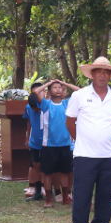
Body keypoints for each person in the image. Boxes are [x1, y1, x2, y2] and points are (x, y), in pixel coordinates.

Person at [65, 57, 111, 223]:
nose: (102, 75)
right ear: (92, 74)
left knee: (106, 194)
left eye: (106, 71)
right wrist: (82, 140)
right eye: (98, 71)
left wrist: (101, 138)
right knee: (82, 194)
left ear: (110, 75)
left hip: (109, 155)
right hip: (84, 155)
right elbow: (70, 122)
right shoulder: (79, 95)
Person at [32, 79, 80, 208]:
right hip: (49, 145)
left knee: (64, 172)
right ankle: (49, 199)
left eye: (60, 87)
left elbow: (80, 92)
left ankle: (65, 198)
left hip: (65, 145)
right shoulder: (46, 104)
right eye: (55, 87)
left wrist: (65, 84)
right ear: (49, 91)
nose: (58, 89)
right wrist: (49, 83)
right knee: (48, 173)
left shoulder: (67, 104)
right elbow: (35, 92)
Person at [24, 82, 45, 202]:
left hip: (47, 142)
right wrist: (27, 138)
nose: (36, 110)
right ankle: (37, 191)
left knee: (47, 167)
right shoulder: (28, 107)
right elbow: (29, 122)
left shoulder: (47, 106)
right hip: (35, 142)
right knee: (35, 165)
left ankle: (49, 190)